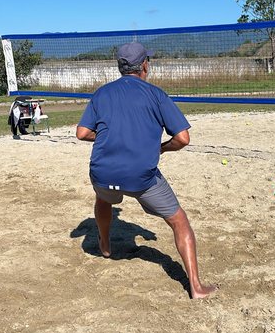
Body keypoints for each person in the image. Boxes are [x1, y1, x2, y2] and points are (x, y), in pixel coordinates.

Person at [75, 41, 218, 299]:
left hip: (102, 173)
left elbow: (82, 133)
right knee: (179, 221)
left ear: (120, 67)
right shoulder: (156, 95)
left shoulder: (102, 93)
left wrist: (110, 137)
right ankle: (196, 287)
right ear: (144, 65)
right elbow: (183, 138)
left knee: (103, 198)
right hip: (140, 176)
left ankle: (105, 246)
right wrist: (162, 148)